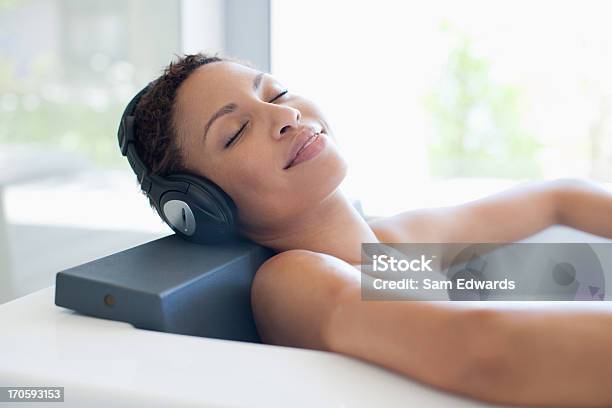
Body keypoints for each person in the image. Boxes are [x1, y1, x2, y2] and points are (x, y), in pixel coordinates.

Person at [132, 52, 612, 407]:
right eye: (235, 132)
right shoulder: (293, 280)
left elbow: (559, 199)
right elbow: (482, 350)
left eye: (275, 93)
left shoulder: (390, 244)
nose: (284, 116)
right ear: (204, 204)